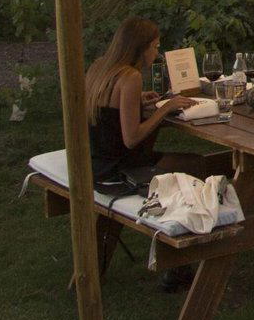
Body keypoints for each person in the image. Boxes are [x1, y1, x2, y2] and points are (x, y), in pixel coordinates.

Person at [85, 16, 208, 190]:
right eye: (155, 47)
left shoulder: (98, 67)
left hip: (97, 165)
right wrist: (166, 108)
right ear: (141, 48)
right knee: (195, 163)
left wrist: (137, 100)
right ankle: (182, 209)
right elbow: (131, 139)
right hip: (118, 172)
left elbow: (107, 110)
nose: (157, 53)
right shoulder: (130, 77)